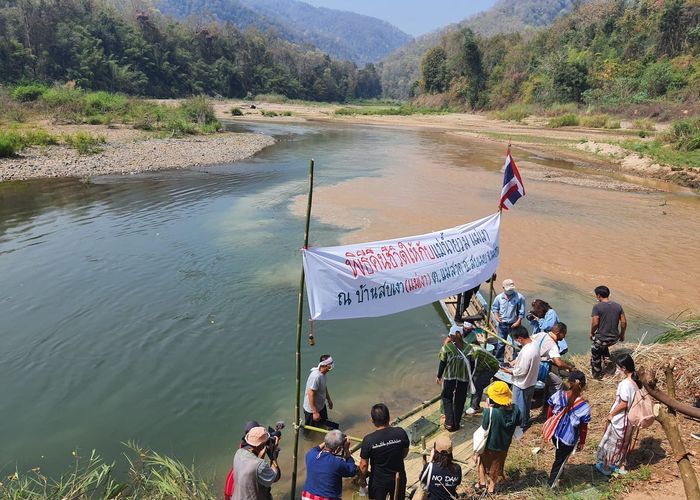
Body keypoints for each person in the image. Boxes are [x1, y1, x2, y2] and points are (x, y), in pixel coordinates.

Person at [596, 354, 640, 476]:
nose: (618, 370)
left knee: (612, 443)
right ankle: (622, 465)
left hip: (621, 419)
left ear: (624, 368)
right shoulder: (637, 381)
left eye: (619, 367)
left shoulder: (625, 383)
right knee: (624, 443)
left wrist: (611, 414)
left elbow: (624, 403)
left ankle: (606, 466)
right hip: (630, 419)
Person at [547, 371, 591, 488]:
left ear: (569, 383)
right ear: (583, 385)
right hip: (568, 439)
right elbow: (583, 428)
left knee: (559, 455)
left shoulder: (559, 395)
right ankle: (552, 483)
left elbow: (550, 410)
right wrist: (582, 441)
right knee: (560, 461)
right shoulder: (584, 407)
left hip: (555, 434)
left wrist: (550, 422)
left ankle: (559, 473)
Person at [476, 381, 521, 494]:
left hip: (490, 445)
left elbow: (485, 427)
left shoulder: (490, 413)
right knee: (497, 464)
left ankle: (482, 483)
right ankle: (492, 486)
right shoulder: (516, 410)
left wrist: (488, 408)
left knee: (481, 460)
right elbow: (519, 422)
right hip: (504, 445)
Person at [359, 403, 410, 500]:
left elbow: (364, 465)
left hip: (379, 481)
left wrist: (362, 479)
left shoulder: (368, 440)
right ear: (389, 417)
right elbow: (405, 452)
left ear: (372, 420)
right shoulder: (400, 432)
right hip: (398, 477)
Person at [501, 326, 540, 430]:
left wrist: (509, 371)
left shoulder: (527, 351)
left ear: (520, 339)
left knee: (518, 406)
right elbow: (521, 360)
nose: (516, 342)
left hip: (522, 383)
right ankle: (525, 421)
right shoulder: (534, 344)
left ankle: (519, 426)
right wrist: (512, 363)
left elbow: (521, 371)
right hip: (531, 381)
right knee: (526, 405)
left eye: (516, 340)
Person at [302, 429, 357, 500]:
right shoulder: (337, 462)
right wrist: (347, 451)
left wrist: (329, 440)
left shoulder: (310, 454)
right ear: (338, 448)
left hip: (307, 497)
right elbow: (352, 471)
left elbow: (317, 448)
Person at [232, 426, 281, 500]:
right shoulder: (260, 465)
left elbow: (253, 465)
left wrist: (263, 450)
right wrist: (273, 455)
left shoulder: (239, 453)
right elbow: (275, 477)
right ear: (262, 445)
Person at [436, 326, 469, 431]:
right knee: (460, 400)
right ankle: (457, 424)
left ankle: (449, 423)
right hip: (463, 379)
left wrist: (438, 376)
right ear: (462, 335)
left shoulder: (447, 348)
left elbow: (442, 364)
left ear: (450, 336)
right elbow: (472, 365)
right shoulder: (469, 347)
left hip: (450, 378)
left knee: (446, 398)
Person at [590, 285, 627, 380]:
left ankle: (596, 375)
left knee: (595, 352)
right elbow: (624, 322)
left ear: (598, 295)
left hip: (603, 339)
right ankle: (607, 359)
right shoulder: (618, 306)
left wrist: (591, 333)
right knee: (602, 344)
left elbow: (595, 323)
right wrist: (622, 334)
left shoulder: (597, 307)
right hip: (614, 338)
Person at [533, 322, 574, 406]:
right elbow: (559, 363)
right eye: (564, 334)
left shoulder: (541, 334)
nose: (564, 337)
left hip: (530, 363)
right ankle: (553, 404)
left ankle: (545, 402)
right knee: (558, 383)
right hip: (540, 368)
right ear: (559, 333)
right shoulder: (553, 345)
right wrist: (569, 368)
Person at [465, 330, 500, 416]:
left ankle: (475, 407)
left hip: (491, 367)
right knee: (475, 381)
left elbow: (472, 369)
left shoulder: (473, 351)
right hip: (482, 365)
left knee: (477, 384)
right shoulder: (468, 348)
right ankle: (476, 399)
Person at [491, 279, 526, 362]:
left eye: (511, 289)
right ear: (503, 288)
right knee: (501, 343)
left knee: (516, 344)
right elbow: (495, 308)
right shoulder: (499, 298)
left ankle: (516, 360)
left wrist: (518, 322)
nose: (510, 291)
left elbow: (521, 312)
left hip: (514, 325)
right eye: (508, 289)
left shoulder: (520, 297)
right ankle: (499, 360)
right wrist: (496, 317)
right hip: (502, 324)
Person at [419, 435, 462, 500]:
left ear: (434, 451)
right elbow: (458, 483)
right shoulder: (457, 468)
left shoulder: (430, 467)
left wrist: (430, 460)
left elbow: (422, 480)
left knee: (413, 493)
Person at [304, 354, 335, 428]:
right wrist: (315, 412)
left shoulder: (324, 374)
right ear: (324, 365)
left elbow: (324, 387)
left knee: (323, 424)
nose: (331, 366)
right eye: (330, 364)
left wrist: (329, 400)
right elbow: (310, 394)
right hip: (311, 409)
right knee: (309, 430)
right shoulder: (316, 377)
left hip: (321, 405)